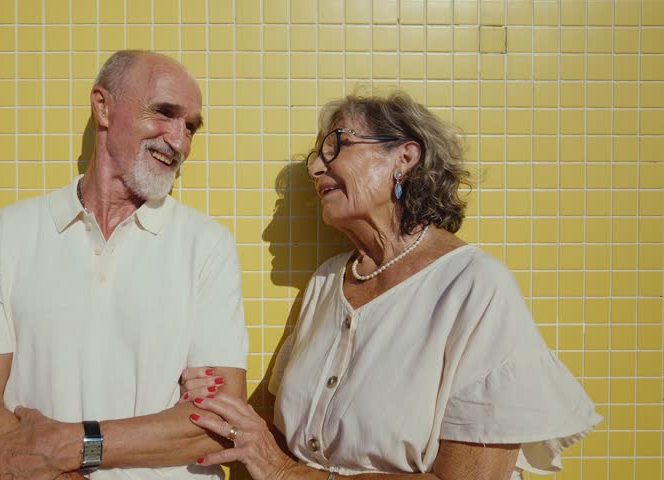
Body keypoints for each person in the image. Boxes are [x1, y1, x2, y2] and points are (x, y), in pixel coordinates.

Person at [183, 93, 602, 480]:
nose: (315, 167)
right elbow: (282, 441)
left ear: (404, 157)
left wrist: (288, 475)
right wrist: (219, 403)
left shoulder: (473, 287)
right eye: (316, 154)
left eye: (336, 144)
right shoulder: (327, 281)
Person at [0, 50, 249, 480]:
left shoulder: (207, 246)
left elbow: (217, 423)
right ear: (103, 106)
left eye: (191, 127)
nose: (180, 141)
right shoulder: (5, 234)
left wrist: (70, 446)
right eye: (165, 113)